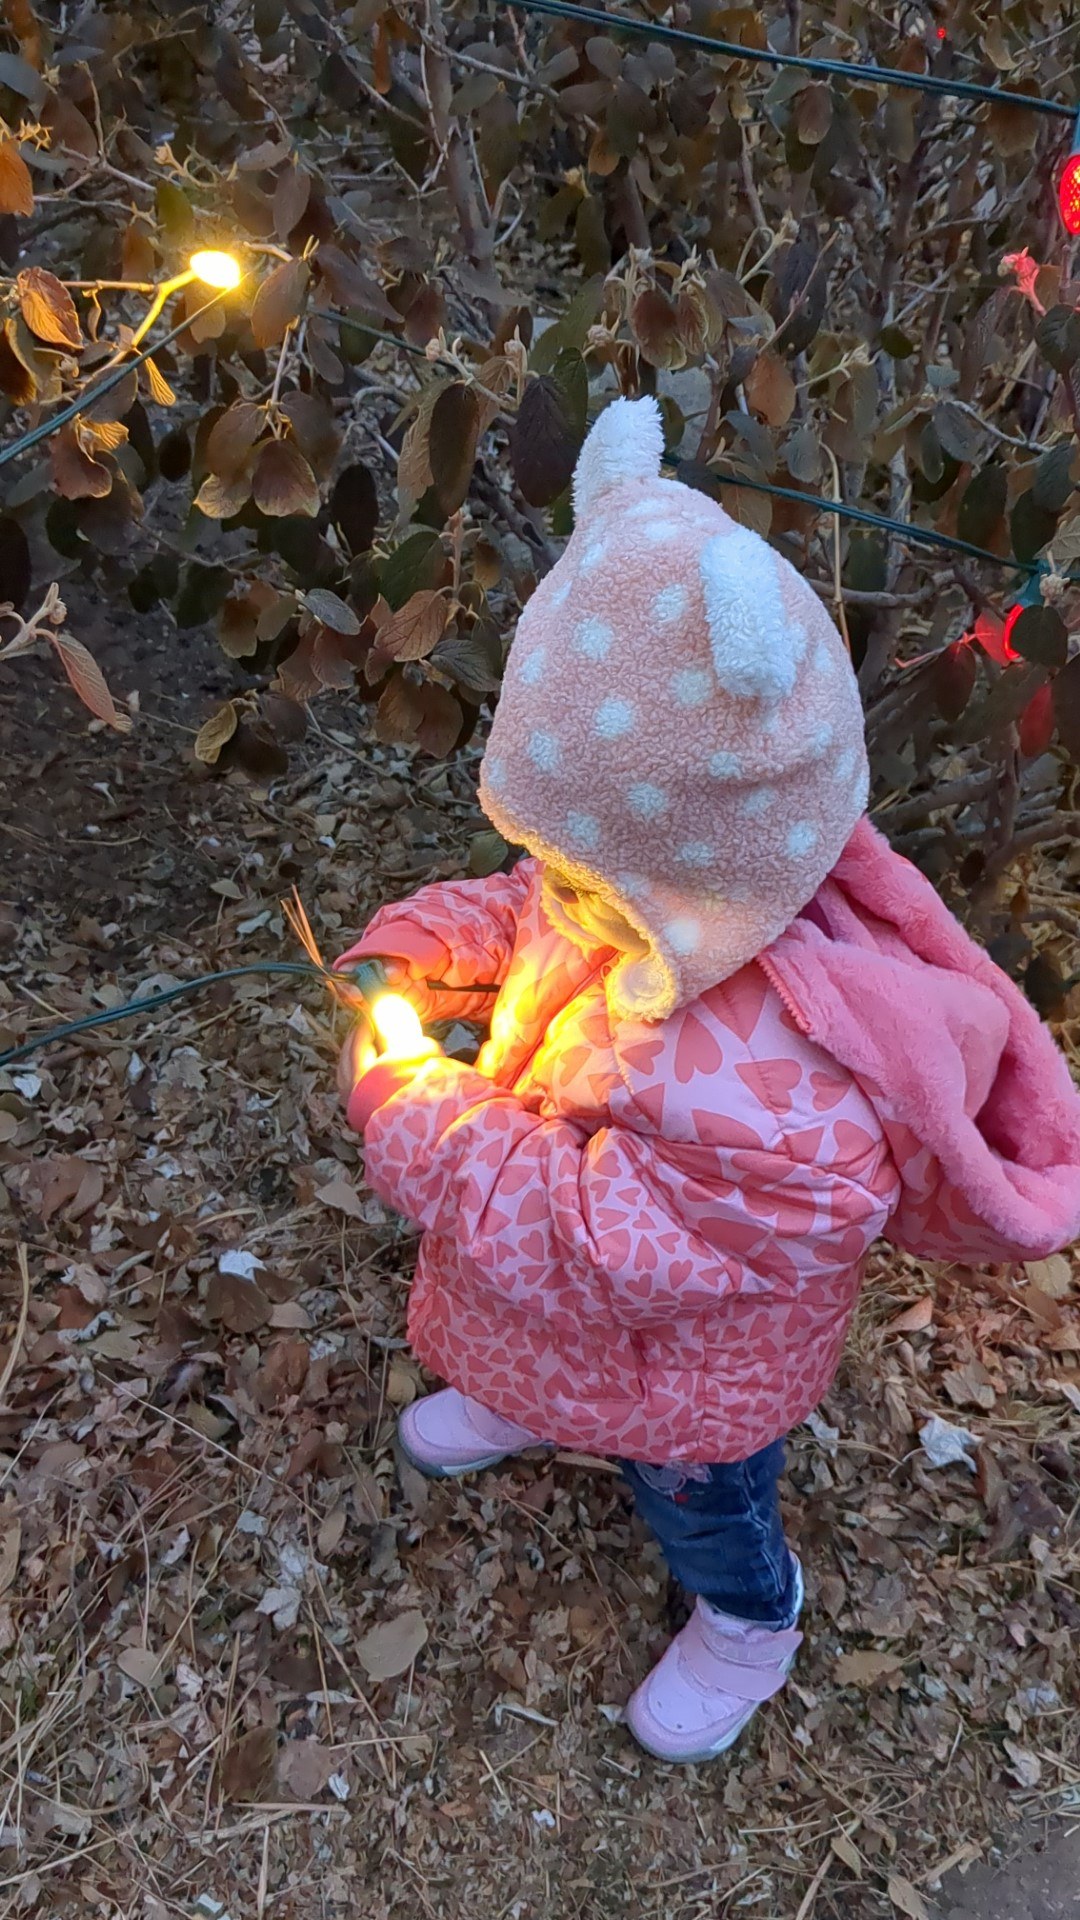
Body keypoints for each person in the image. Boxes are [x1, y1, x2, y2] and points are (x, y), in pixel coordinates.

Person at [335, 398, 1080, 1764]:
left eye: (574, 863)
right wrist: (418, 951)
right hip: (567, 1310)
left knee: (700, 1494)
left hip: (692, 1376)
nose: (550, 885)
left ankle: (752, 1616)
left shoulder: (803, 1094)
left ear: (695, 857)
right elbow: (521, 910)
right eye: (547, 853)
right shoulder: (631, 882)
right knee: (545, 1321)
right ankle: (528, 1389)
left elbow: (592, 1237)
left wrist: (424, 1117)